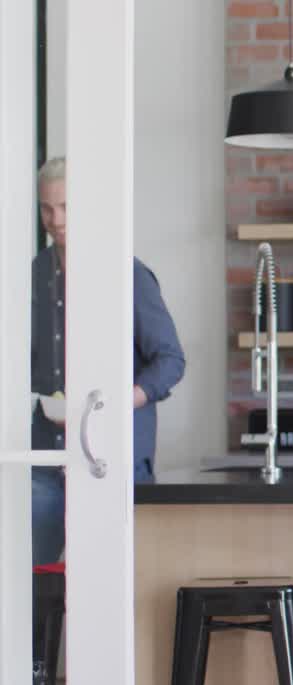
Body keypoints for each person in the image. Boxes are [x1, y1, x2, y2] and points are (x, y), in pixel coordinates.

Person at [31, 156, 186, 564]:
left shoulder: (128, 275)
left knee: (113, 582)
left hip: (115, 458)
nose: (56, 219)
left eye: (66, 207)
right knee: (28, 584)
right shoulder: (30, 275)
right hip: (45, 459)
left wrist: (120, 402)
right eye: (47, 208)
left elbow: (170, 361)